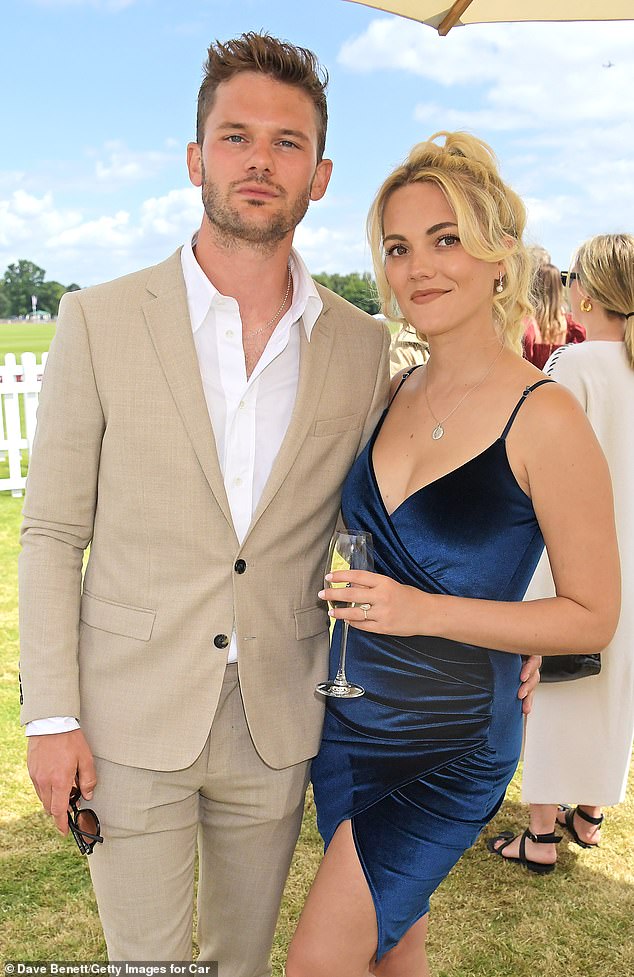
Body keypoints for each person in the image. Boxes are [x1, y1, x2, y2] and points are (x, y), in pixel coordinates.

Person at [18, 32, 392, 974]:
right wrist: (50, 714)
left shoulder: (360, 345)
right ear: (195, 158)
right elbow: (55, 530)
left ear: (321, 173)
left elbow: (382, 520)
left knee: (244, 958)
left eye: (287, 141)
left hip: (276, 718)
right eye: (235, 137)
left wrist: (498, 630)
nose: (260, 160)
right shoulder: (98, 318)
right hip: (127, 719)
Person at [286, 132, 620, 977]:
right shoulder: (393, 390)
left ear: (500, 257)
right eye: (399, 246)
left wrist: (428, 611)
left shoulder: (546, 417)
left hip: (454, 738)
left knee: (317, 961)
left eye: (447, 239)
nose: (419, 266)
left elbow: (595, 611)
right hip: (351, 721)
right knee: (393, 946)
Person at [491, 233, 634, 873]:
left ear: (588, 290)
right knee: (616, 690)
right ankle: (591, 811)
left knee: (551, 685)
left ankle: (542, 833)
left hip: (575, 546)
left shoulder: (573, 368)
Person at [522, 262, 585, 370]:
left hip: (533, 385)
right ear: (559, 289)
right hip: (563, 385)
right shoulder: (570, 325)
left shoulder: (528, 325)